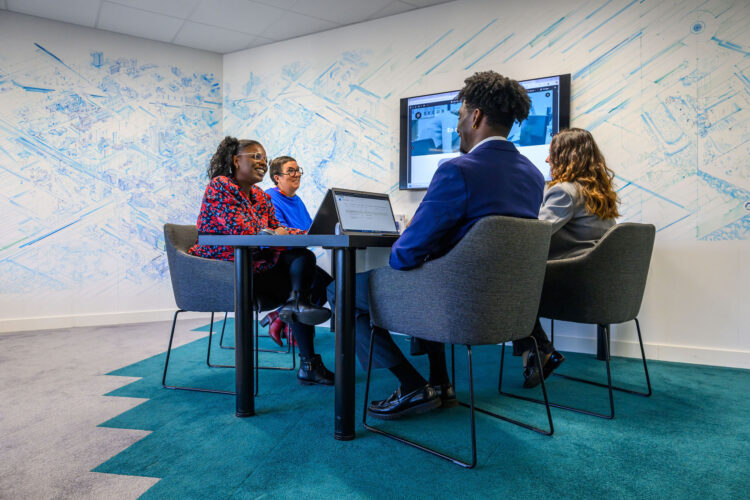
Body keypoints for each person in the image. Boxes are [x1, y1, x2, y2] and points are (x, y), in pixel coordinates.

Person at [328, 70, 545, 419]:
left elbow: (404, 255)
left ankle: (412, 384)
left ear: (476, 116)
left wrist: (412, 234)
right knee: (430, 271)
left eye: (460, 116)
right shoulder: (533, 175)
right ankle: (441, 382)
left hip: (453, 302)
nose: (457, 126)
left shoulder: (458, 170)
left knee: (341, 290)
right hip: (503, 305)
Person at [188, 136, 334, 386]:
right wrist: (274, 232)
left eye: (265, 159)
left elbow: (275, 228)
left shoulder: (258, 195)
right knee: (306, 275)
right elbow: (242, 231)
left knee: (303, 258)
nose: (263, 163)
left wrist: (303, 234)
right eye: (256, 157)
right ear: (236, 160)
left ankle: (307, 357)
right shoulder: (220, 186)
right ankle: (296, 310)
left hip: (253, 267)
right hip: (223, 271)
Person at [512, 127, 621, 388]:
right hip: (601, 284)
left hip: (576, 285)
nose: (547, 159)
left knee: (509, 283)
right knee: (518, 281)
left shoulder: (565, 191)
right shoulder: (598, 192)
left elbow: (534, 235)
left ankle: (540, 350)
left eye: (552, 153)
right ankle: (535, 356)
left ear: (566, 156)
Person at [261, 156, 332, 346]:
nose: (297, 174)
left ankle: (280, 316)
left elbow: (310, 228)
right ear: (277, 177)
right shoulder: (269, 197)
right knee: (317, 284)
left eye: (298, 169)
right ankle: (285, 319)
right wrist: (307, 233)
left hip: (299, 258)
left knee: (330, 286)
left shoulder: (296, 200)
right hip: (279, 260)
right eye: (291, 170)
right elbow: (280, 232)